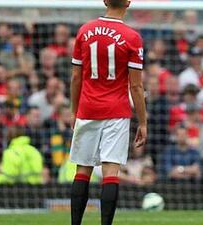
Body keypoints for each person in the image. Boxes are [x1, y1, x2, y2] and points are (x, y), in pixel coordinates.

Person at [69, 1, 147, 225]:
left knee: (83, 169)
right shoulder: (132, 37)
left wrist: (75, 110)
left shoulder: (85, 31)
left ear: (104, 1)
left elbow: (76, 77)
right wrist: (143, 121)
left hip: (88, 108)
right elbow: (136, 86)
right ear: (129, 3)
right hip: (116, 111)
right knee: (110, 171)